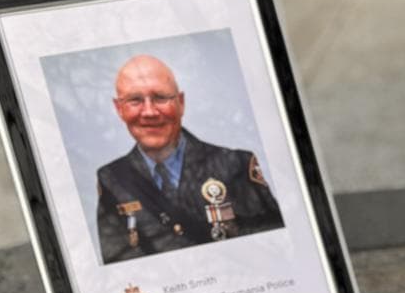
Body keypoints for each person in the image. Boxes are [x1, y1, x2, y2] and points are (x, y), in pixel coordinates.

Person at [96, 55, 283, 264]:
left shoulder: (235, 165)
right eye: (135, 100)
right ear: (119, 109)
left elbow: (275, 248)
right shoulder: (112, 178)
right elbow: (119, 263)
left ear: (181, 103)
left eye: (160, 97)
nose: (149, 112)